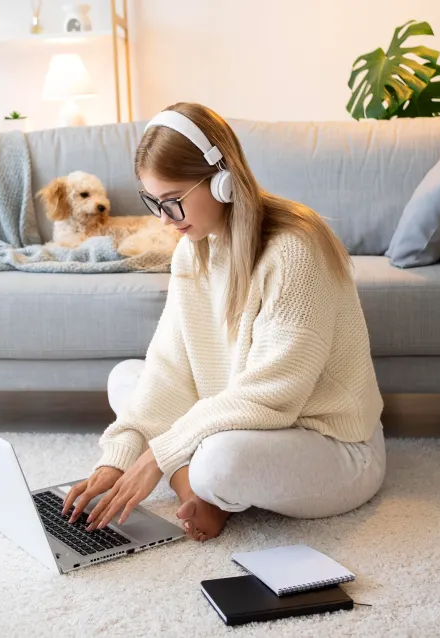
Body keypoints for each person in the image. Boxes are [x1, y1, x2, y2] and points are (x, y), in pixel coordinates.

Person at [60, 102, 386, 542]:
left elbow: (273, 395)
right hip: (242, 422)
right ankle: (201, 496)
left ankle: (201, 483)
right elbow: (169, 369)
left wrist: (157, 455)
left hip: (329, 442)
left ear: (223, 180)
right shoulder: (191, 251)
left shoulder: (295, 248)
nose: (164, 219)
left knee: (218, 461)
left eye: (173, 201)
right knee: (127, 377)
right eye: (154, 202)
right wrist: (116, 460)